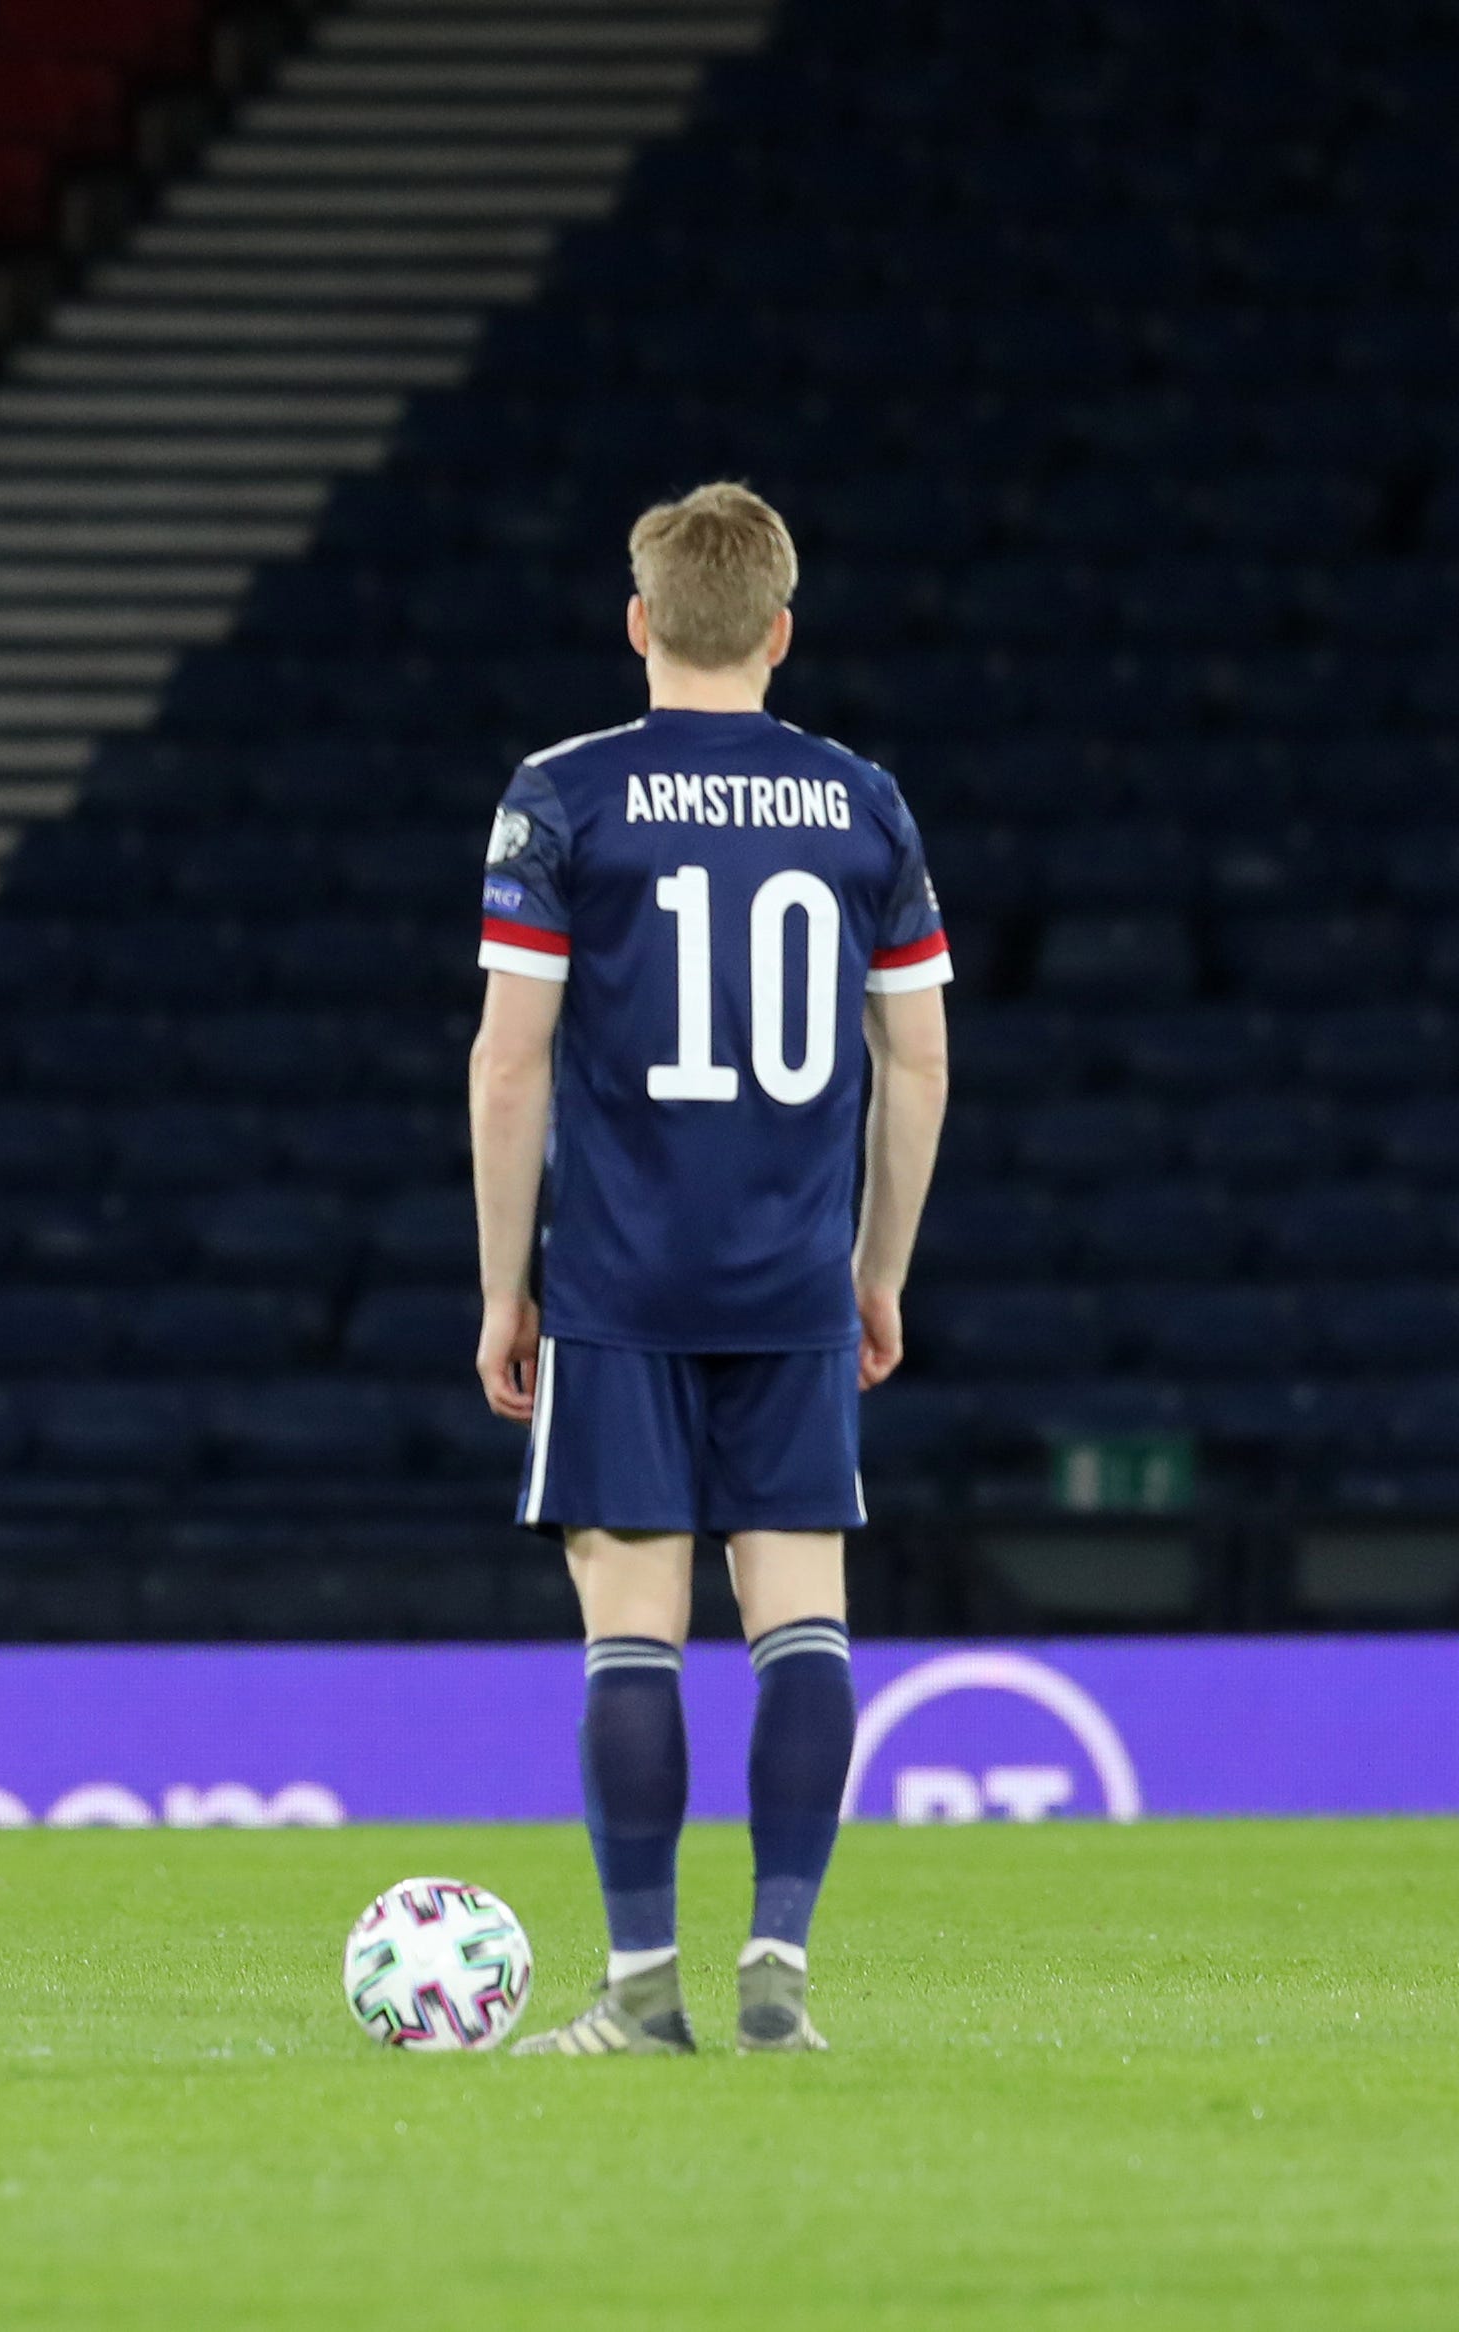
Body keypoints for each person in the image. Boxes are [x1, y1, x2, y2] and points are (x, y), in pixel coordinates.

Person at [467, 482, 952, 2056]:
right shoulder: (865, 803)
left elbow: (507, 1066)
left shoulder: (560, 799)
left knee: (629, 1622)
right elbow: (921, 1062)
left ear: (638, 622)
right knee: (798, 1612)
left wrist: (500, 1287)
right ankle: (779, 1975)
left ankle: (635, 1995)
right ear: (779, 631)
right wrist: (876, 1267)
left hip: (620, 1280)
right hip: (793, 1281)